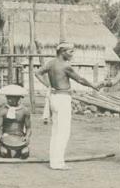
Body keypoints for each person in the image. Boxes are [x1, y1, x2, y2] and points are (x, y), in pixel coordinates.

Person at [35, 41, 100, 170]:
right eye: (70, 52)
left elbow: (37, 73)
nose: (72, 54)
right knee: (63, 132)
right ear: (62, 51)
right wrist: (94, 86)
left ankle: (55, 161)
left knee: (56, 131)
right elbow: (80, 79)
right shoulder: (65, 66)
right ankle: (58, 163)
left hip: (54, 97)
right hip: (62, 98)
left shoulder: (51, 63)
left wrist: (48, 85)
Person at [0, 84, 32, 159]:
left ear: (18, 98)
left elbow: (28, 127)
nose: (9, 100)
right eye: (8, 97)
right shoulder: (2, 111)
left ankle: (18, 151)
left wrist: (27, 136)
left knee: (25, 153)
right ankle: (6, 149)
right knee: (4, 153)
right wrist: (0, 136)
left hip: (19, 136)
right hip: (6, 137)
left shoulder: (25, 111)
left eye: (12, 98)